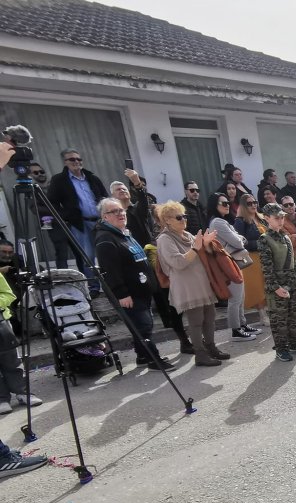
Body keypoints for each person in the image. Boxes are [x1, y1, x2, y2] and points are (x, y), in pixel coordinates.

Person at [94, 198, 174, 370]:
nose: (120, 213)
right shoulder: (106, 239)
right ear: (104, 217)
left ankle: (142, 357)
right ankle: (154, 359)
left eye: (121, 210)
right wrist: (121, 294)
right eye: (114, 211)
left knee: (143, 325)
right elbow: (110, 270)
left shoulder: (124, 233)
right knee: (143, 327)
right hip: (129, 293)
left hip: (141, 290)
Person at [154, 201, 227, 367]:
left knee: (210, 318)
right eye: (179, 217)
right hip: (187, 287)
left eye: (184, 216)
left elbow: (205, 254)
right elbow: (178, 263)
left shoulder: (187, 235)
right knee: (196, 321)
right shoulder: (165, 239)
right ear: (167, 220)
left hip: (202, 284)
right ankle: (200, 354)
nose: (183, 220)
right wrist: (196, 248)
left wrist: (207, 243)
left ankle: (211, 348)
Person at [45, 148, 108, 292]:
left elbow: (104, 195)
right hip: (79, 223)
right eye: (72, 159)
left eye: (79, 159)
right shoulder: (59, 180)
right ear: (65, 162)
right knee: (87, 256)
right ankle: (93, 287)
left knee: (106, 252)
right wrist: (65, 217)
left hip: (100, 222)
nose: (76, 162)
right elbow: (52, 202)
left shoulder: (92, 177)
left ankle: (111, 283)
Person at [259, 203, 296, 362]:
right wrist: (275, 288)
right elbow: (266, 268)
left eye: (282, 217)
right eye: (277, 218)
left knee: (294, 316)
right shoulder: (265, 239)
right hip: (277, 286)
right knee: (279, 320)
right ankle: (281, 349)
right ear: (267, 218)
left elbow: (292, 262)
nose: (281, 220)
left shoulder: (285, 236)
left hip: (291, 283)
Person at [207, 193, 257, 342]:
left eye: (228, 203)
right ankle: (236, 330)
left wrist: (238, 238)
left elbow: (238, 238)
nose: (227, 205)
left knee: (240, 297)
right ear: (214, 206)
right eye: (223, 203)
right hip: (229, 262)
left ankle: (242, 324)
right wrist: (239, 239)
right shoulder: (218, 223)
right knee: (235, 298)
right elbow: (239, 241)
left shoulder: (222, 221)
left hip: (233, 261)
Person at [0, 270, 43, 415]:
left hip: (1, 322)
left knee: (11, 359)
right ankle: (2, 399)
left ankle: (23, 393)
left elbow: (9, 295)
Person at [233, 194, 269, 326]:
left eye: (255, 202)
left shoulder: (261, 218)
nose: (253, 205)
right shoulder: (240, 221)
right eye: (249, 203)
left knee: (267, 284)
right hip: (251, 257)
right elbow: (239, 242)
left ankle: (267, 311)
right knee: (257, 287)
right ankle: (262, 315)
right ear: (243, 205)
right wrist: (260, 243)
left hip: (265, 257)